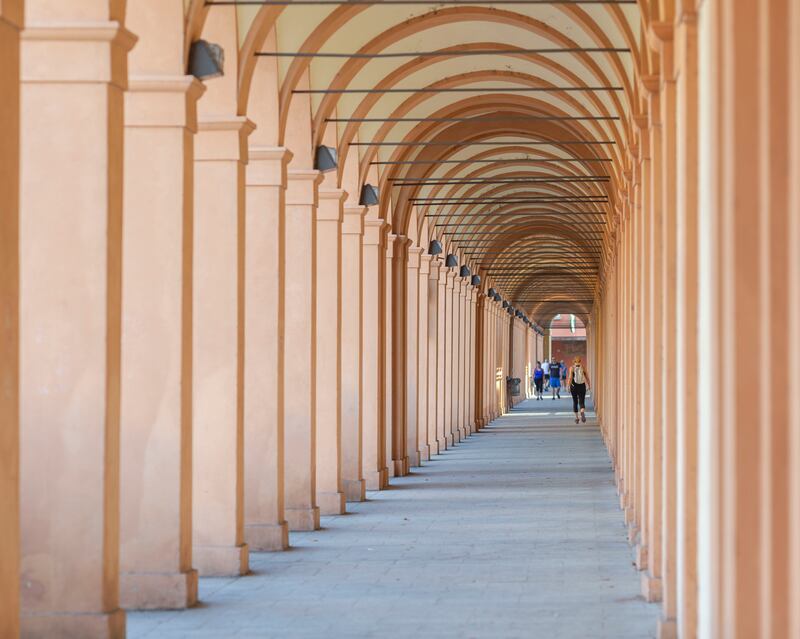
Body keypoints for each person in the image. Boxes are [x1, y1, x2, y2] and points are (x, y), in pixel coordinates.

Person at [568, 356, 592, 423]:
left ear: (574, 361)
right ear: (580, 361)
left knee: (575, 401)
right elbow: (587, 376)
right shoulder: (583, 367)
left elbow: (570, 377)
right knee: (582, 401)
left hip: (574, 387)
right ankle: (582, 412)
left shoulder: (572, 368)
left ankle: (576, 418)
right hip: (582, 386)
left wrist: (568, 386)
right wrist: (589, 385)